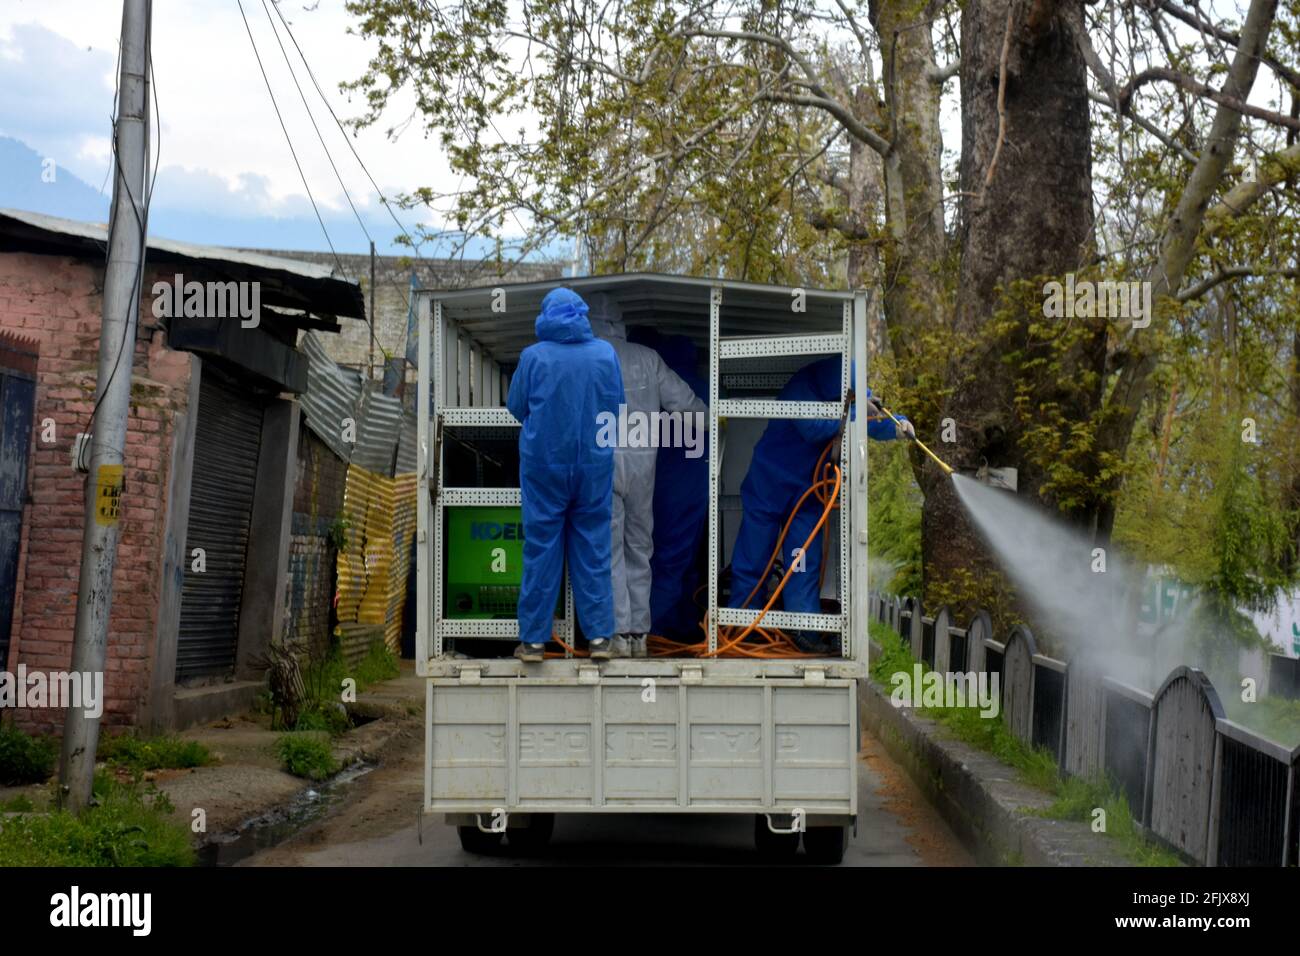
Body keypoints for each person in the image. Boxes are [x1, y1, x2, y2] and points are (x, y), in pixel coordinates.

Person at [727, 356, 913, 653]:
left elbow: (870, 418)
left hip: (807, 494)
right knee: (755, 556)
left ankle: (805, 630)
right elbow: (813, 427)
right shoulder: (801, 387)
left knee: (802, 562)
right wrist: (855, 414)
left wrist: (896, 425)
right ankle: (742, 625)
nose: (852, 398)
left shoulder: (848, 385)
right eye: (849, 396)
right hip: (768, 486)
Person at [506, 288, 624, 663]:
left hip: (544, 466)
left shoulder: (532, 357)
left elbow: (515, 406)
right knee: (593, 549)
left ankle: (534, 642)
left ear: (546, 315)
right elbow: (617, 406)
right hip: (593, 464)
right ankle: (601, 639)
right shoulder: (606, 354)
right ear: (582, 315)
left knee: (541, 548)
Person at [588, 293, 707, 658]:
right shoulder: (647, 358)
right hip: (642, 469)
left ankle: (615, 634)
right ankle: (639, 634)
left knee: (609, 553)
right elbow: (690, 409)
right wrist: (713, 421)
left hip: (600, 467)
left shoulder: (586, 360)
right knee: (640, 548)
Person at [626, 329, 710, 641]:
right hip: (691, 495)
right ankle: (670, 628)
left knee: (650, 562)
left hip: (653, 490)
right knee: (681, 563)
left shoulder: (647, 389)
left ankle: (656, 629)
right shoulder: (701, 388)